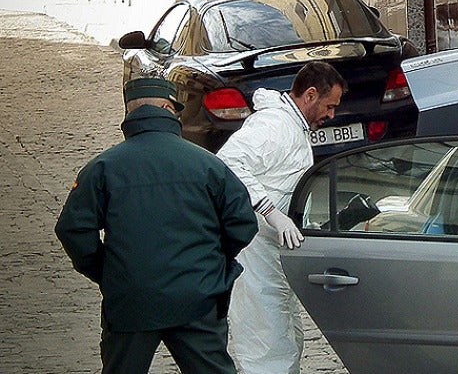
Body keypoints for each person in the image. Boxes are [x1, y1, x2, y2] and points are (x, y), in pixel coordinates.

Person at [55, 77, 258, 374]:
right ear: (166, 108)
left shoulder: (103, 167)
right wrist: (211, 264)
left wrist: (107, 272)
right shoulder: (207, 164)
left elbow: (72, 230)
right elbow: (242, 223)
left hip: (131, 300)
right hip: (197, 296)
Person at [216, 61, 347, 374]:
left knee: (281, 331)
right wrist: (271, 212)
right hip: (255, 250)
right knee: (266, 336)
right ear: (310, 95)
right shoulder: (275, 125)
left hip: (271, 251)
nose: (332, 116)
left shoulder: (293, 125)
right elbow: (229, 163)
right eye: (329, 106)